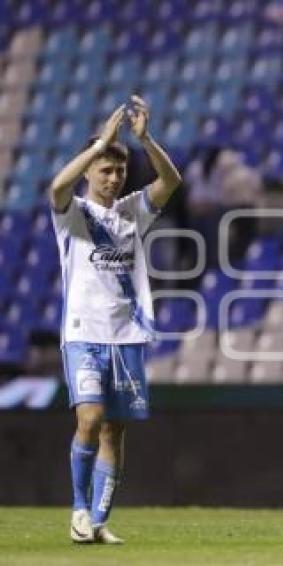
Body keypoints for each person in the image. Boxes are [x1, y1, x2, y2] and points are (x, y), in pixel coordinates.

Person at [49, 96, 182, 544]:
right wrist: (98, 143)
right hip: (83, 335)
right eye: (105, 170)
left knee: (114, 429)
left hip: (126, 336)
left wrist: (146, 140)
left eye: (119, 170)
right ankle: (78, 510)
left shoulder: (131, 212)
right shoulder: (72, 215)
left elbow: (171, 180)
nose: (113, 177)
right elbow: (56, 187)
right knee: (89, 419)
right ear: (88, 171)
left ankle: (100, 520)